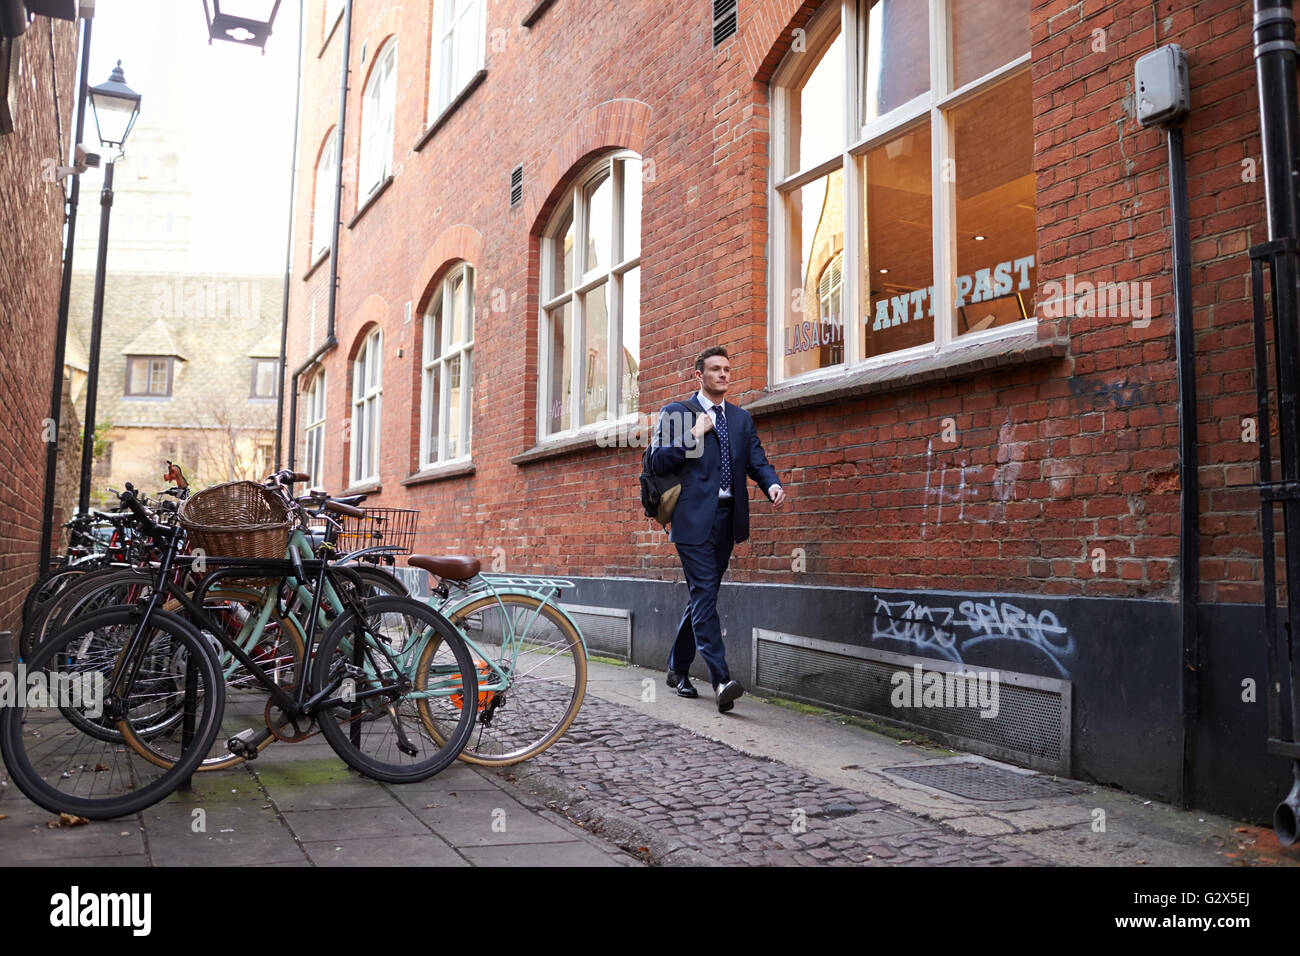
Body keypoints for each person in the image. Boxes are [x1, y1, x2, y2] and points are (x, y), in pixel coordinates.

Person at [649, 346, 785, 713]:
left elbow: (756, 459)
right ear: (699, 375)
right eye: (715, 369)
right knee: (706, 594)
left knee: (701, 596)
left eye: (727, 369)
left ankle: (677, 669)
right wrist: (694, 433)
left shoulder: (740, 419)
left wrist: (770, 484)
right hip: (692, 519)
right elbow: (658, 459)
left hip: (728, 519)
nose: (724, 374)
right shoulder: (678, 413)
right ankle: (722, 678)